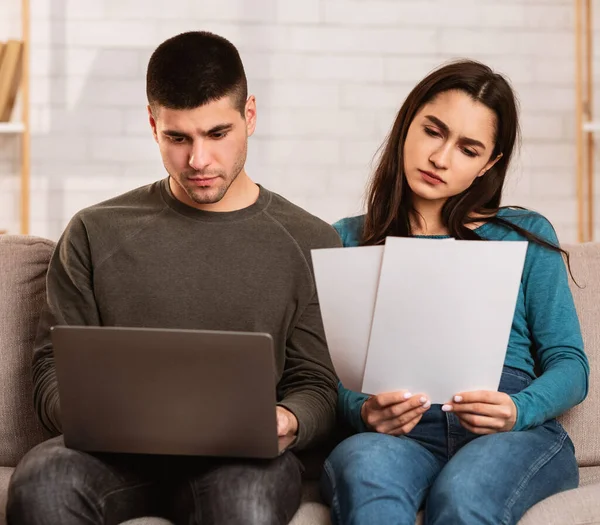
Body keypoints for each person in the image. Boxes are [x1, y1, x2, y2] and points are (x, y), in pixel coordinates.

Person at [7, 30, 340, 525]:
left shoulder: (309, 240)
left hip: (243, 463)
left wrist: (288, 420)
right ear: (152, 125)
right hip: (111, 458)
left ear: (249, 115)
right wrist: (98, 418)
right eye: (177, 138)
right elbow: (51, 370)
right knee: (43, 482)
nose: (198, 160)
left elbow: (318, 383)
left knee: (243, 506)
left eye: (217, 134)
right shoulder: (94, 232)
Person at [320, 60, 590, 525]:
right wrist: (363, 411)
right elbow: (323, 377)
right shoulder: (346, 239)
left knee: (464, 494)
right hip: (398, 434)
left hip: (507, 428)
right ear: (408, 125)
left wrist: (517, 409)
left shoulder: (523, 234)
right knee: (364, 469)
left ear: (489, 163)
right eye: (433, 131)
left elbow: (571, 364)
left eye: (468, 149)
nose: (440, 158)